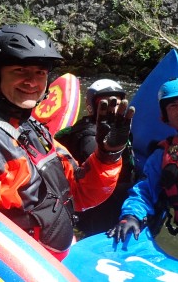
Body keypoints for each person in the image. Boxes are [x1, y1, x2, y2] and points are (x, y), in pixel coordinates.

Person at [0, 23, 133, 260]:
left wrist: (108, 156)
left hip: (55, 258)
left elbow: (79, 194)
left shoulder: (32, 127)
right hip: (22, 267)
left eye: (40, 73)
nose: (32, 82)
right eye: (20, 71)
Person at [108, 78, 178, 267]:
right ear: (164, 117)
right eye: (172, 106)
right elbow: (144, 191)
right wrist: (131, 216)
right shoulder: (162, 153)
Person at [55, 79, 135, 236]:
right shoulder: (88, 136)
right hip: (98, 207)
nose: (113, 108)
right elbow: (97, 177)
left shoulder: (117, 130)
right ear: (92, 106)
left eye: (117, 103)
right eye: (104, 103)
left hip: (113, 198)